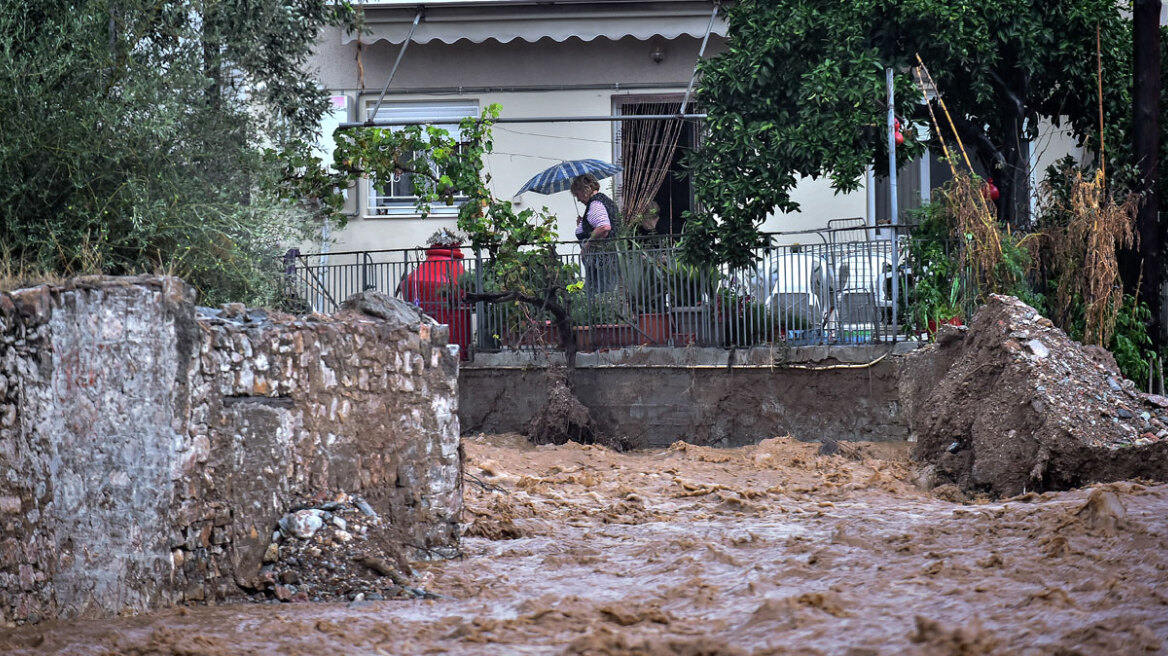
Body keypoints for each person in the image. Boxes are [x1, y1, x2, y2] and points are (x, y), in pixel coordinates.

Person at [570, 173, 621, 294]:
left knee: (599, 293)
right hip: (604, 260)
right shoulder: (602, 201)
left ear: (584, 190)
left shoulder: (595, 204)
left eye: (577, 194)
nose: (578, 199)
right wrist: (584, 223)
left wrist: (587, 246)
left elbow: (604, 227)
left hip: (600, 261)